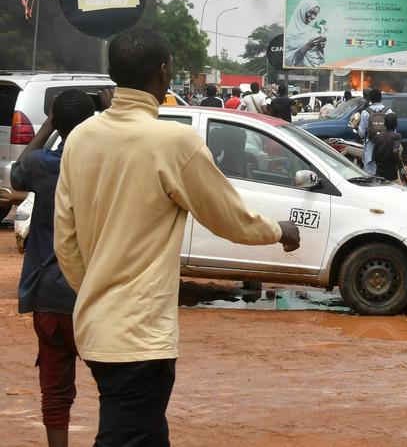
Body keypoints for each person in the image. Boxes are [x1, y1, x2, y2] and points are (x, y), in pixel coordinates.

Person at [54, 28, 300, 445]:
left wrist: (96, 291)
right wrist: (279, 230)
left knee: (147, 434)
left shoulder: (81, 138)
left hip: (97, 328)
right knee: (128, 436)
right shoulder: (172, 142)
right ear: (164, 73)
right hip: (140, 338)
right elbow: (229, 217)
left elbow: (66, 239)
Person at [14, 89, 96, 447]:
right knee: (115, 386)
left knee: (55, 393)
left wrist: (49, 124)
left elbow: (18, 172)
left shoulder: (44, 166)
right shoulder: (104, 166)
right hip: (94, 295)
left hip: (48, 295)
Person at [284, 0, 326, 67]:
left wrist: (320, 48)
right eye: (311, 12)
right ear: (303, 10)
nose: (313, 17)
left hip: (316, 70)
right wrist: (308, 46)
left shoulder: (313, 30)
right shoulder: (289, 33)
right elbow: (288, 60)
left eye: (315, 14)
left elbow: (319, 57)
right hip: (299, 72)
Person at [359, 89, 391, 176]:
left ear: (370, 99)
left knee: (370, 176)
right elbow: (393, 131)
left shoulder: (365, 112)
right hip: (385, 148)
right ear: (381, 98)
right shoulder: (388, 111)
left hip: (370, 148)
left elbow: (361, 133)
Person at [372, 112, 403, 182]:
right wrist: (400, 165)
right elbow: (395, 151)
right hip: (391, 171)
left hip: (379, 171)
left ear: (385, 124)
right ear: (396, 124)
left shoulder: (378, 137)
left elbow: (374, 154)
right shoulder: (397, 136)